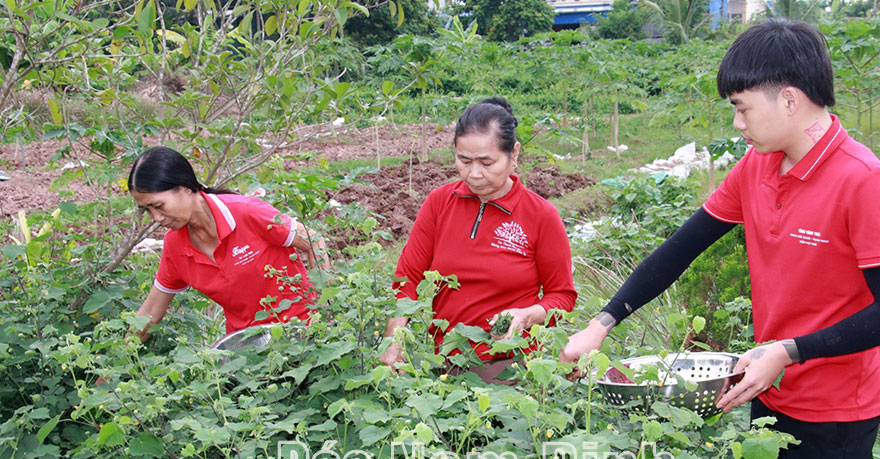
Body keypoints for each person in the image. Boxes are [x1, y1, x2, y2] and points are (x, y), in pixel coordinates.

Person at [560, 20, 880, 459]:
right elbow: (681, 249)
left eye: (742, 107)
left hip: (836, 412)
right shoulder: (758, 167)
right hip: (767, 392)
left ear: (789, 100)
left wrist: (788, 351)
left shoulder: (864, 183)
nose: (736, 123)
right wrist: (601, 323)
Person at [379, 97, 578, 383]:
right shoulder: (439, 203)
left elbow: (562, 296)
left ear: (514, 154)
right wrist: (393, 340)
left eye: (486, 162)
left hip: (509, 363)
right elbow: (407, 278)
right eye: (464, 160)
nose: (474, 173)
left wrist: (525, 316)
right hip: (445, 360)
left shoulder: (540, 215)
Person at [130, 146, 330, 341]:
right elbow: (150, 313)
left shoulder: (246, 213)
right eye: (147, 210)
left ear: (185, 188)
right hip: (247, 346)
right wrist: (121, 356)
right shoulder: (175, 246)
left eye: (159, 206)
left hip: (303, 334)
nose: (156, 218)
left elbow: (314, 241)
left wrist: (324, 312)